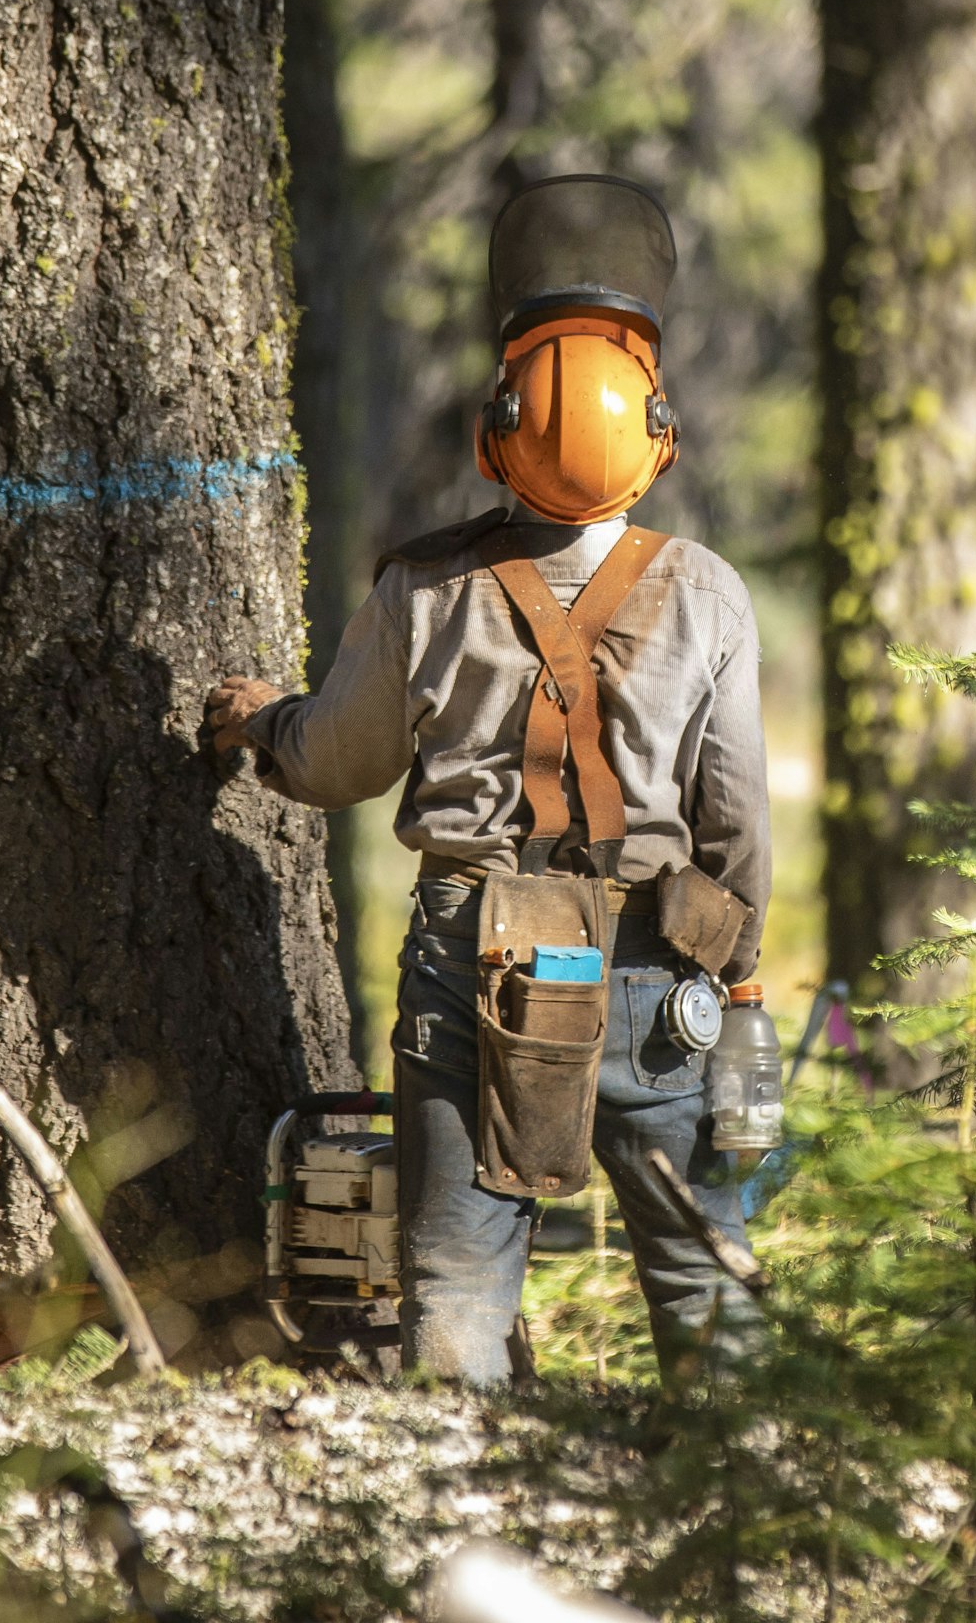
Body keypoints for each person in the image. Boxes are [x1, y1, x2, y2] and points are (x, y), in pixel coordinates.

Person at [207, 174, 768, 1384]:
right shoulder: (710, 592)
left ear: (494, 426)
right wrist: (746, 974)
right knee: (696, 1249)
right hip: (660, 959)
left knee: (460, 1265)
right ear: (657, 436)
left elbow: (334, 759)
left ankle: (464, 1521)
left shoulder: (426, 585)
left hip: (479, 949)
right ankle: (737, 1491)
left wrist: (262, 726)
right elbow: (737, 822)